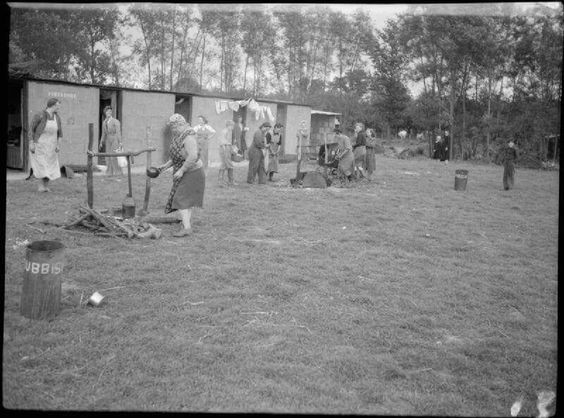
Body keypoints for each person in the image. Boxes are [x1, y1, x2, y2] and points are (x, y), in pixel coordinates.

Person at [157, 114, 205, 237]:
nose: (173, 130)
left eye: (174, 127)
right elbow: (176, 157)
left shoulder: (188, 137)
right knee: (186, 201)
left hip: (193, 172)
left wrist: (182, 170)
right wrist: (164, 167)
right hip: (187, 171)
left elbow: (193, 156)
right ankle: (186, 224)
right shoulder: (178, 136)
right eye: (172, 127)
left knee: (181, 199)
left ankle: (187, 228)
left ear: (181, 124)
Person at [29, 98, 63, 192]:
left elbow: (60, 134)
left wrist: (58, 145)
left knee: (50, 166)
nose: (59, 107)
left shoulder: (57, 117)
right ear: (52, 105)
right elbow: (31, 130)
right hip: (39, 144)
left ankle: (46, 186)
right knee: (41, 165)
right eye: (57, 105)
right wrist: (31, 143)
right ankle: (40, 186)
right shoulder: (39, 115)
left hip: (52, 146)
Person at [99, 105, 123, 176]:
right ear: (105, 113)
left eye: (110, 111)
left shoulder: (116, 121)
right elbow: (103, 133)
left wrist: (120, 142)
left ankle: (118, 173)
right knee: (108, 156)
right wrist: (101, 142)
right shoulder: (104, 122)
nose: (108, 112)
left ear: (111, 112)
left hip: (115, 139)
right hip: (108, 140)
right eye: (107, 111)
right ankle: (109, 173)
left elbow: (118, 132)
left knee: (114, 156)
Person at [218, 120, 236, 186]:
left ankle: (229, 181)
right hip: (224, 149)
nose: (232, 128)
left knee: (227, 165)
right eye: (232, 126)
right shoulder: (224, 131)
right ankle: (221, 182)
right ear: (229, 126)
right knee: (225, 164)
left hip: (227, 149)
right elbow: (222, 143)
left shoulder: (228, 132)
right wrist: (225, 152)